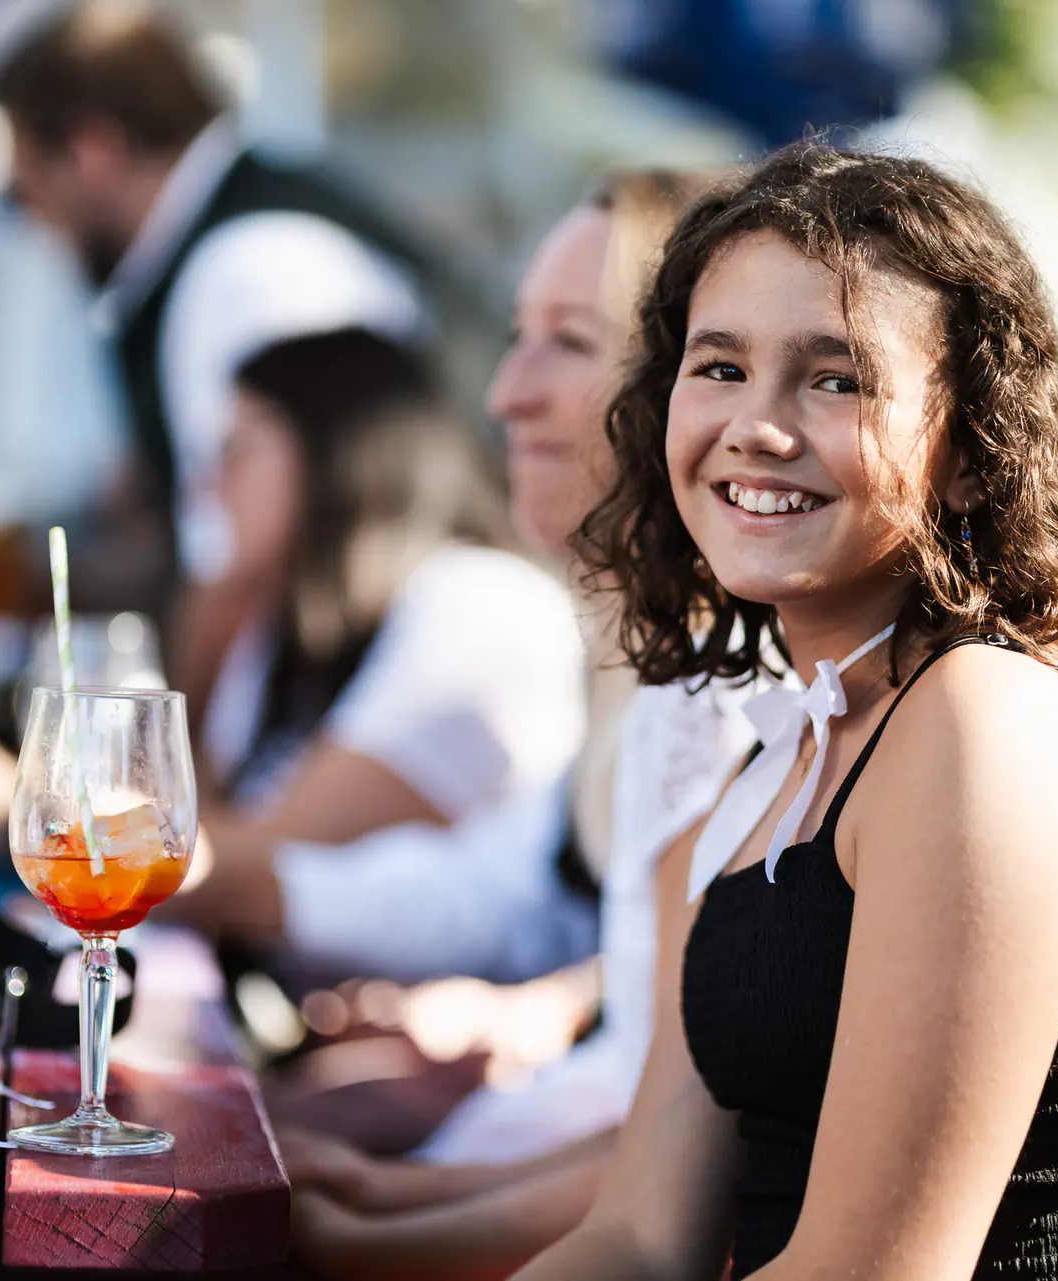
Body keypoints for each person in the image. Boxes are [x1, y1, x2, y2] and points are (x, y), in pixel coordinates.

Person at [514, 143, 1058, 1279]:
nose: (757, 425)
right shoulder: (776, 762)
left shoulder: (987, 724)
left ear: (972, 455)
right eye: (720, 366)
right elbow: (638, 1238)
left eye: (835, 379)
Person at [285, 171, 762, 1280]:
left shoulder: (720, 691)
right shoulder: (644, 658)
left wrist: (375, 1224)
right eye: (517, 337)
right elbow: (519, 896)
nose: (505, 392)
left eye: (568, 342)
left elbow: (684, 1151)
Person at [0, 1, 430, 711]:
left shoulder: (240, 269)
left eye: (21, 188)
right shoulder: (233, 239)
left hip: (364, 712)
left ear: (93, 152)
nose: (33, 218)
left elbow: (232, 565)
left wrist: (169, 758)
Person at [166, 327, 591, 988]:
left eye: (233, 447)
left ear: (335, 449)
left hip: (462, 1027)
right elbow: (198, 812)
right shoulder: (294, 616)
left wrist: (20, 811)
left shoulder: (480, 608)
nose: (206, 484)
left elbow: (256, 858)